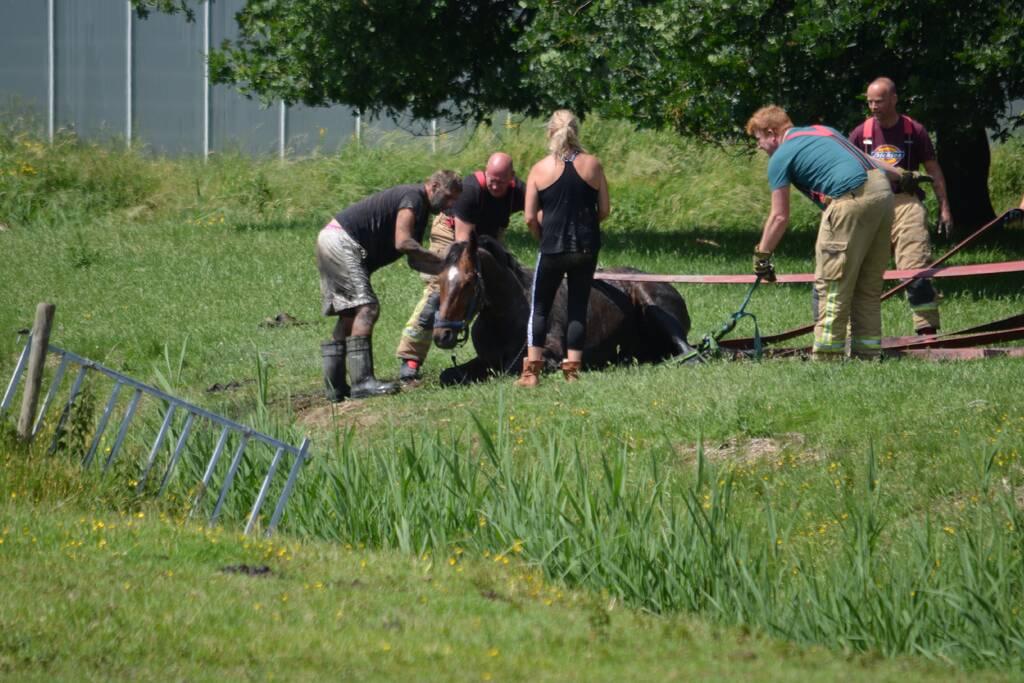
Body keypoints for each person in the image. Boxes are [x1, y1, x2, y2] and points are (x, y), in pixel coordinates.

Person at [746, 105, 899, 360]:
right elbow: (869, 160)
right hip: (883, 193)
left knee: (832, 285)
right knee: (868, 286)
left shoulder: (781, 156)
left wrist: (762, 255)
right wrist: (903, 175)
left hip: (850, 199)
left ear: (771, 133)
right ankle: (868, 354)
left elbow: (779, 216)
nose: (760, 147)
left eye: (759, 139)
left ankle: (827, 358)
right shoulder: (823, 131)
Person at [316, 171, 461, 401]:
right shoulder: (413, 197)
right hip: (342, 241)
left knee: (349, 315)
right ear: (434, 186)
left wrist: (448, 272)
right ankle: (362, 382)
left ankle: (335, 388)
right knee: (367, 309)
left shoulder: (420, 209)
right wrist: (440, 259)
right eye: (449, 196)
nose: (450, 204)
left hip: (332, 238)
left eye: (454, 200)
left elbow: (414, 260)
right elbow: (403, 242)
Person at [394, 152, 526, 381]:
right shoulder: (471, 191)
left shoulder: (519, 192)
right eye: (492, 180)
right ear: (485, 173)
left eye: (501, 181)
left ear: (512, 178)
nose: (496, 186)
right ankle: (411, 357)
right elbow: (463, 245)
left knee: (501, 285)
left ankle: (509, 346)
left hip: (485, 237)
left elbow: (542, 212)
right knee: (443, 289)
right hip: (453, 235)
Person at [848, 77, 951, 335]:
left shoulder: (914, 130)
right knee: (856, 268)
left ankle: (927, 330)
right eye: (870, 102)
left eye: (879, 101)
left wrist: (944, 207)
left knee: (915, 264)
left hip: (905, 202)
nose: (874, 107)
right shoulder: (860, 133)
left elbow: (933, 170)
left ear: (894, 99)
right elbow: (846, 170)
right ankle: (854, 334)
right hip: (869, 203)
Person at [516, 110, 610, 387]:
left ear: (550, 132)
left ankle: (532, 373)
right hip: (586, 247)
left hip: (552, 248)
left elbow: (529, 217)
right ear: (576, 132)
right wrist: (586, 225)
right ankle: (572, 372)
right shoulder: (593, 165)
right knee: (577, 307)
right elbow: (604, 210)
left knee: (540, 308)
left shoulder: (539, 169)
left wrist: (542, 237)